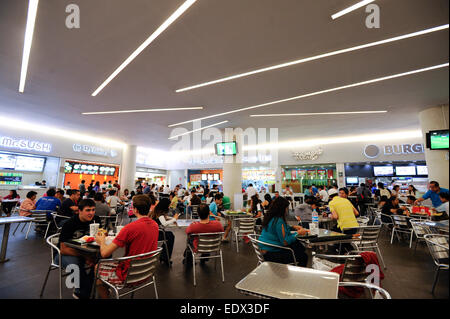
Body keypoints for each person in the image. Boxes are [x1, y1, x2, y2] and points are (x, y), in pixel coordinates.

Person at [94, 195, 159, 299]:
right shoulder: (155, 225)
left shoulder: (130, 228)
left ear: (135, 210)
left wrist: (101, 241)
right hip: (146, 272)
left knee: (97, 268)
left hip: (129, 275)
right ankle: (108, 288)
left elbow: (104, 253)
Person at [58, 199, 101, 299]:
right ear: (80, 211)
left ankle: (85, 289)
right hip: (66, 253)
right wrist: (86, 257)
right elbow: (63, 249)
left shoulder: (96, 220)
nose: (91, 213)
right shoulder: (69, 223)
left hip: (87, 251)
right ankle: (84, 291)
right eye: (88, 210)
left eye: (93, 210)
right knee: (75, 264)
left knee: (104, 258)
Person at [258, 197, 309, 266]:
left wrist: (293, 227)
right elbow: (285, 242)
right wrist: (298, 233)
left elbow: (279, 228)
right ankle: (298, 274)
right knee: (303, 256)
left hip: (264, 249)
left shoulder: (270, 217)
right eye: (286, 208)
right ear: (282, 209)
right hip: (272, 254)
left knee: (297, 246)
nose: (287, 210)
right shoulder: (279, 221)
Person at [152, 198, 178, 264]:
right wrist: (174, 219)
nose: (169, 207)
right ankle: (165, 257)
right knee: (170, 236)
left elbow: (164, 218)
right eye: (168, 205)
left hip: (153, 233)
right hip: (157, 234)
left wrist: (172, 218)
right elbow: (164, 223)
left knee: (170, 236)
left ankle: (164, 256)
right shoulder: (160, 214)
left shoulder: (157, 211)